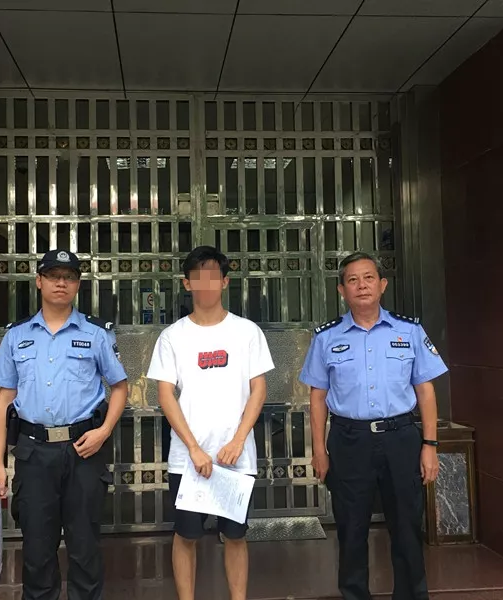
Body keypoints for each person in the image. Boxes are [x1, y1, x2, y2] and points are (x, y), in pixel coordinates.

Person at [299, 251, 447, 600]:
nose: (361, 285)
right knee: (351, 529)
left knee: (407, 527)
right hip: (349, 441)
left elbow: (425, 390)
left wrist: (430, 445)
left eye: (368, 278)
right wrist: (319, 450)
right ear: (342, 290)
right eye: (353, 280)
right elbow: (317, 397)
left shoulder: (409, 331)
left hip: (401, 439)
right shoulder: (327, 338)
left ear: (382, 285)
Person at [0, 249, 129, 600]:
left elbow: (120, 387)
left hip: (84, 451)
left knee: (84, 547)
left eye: (69, 277)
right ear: (39, 282)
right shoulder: (16, 336)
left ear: (78, 285)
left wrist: (104, 432)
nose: (61, 283)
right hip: (34, 453)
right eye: (53, 276)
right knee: (37, 549)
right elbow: (3, 401)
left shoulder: (96, 333)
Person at [146, 246, 275, 600]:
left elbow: (259, 390)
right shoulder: (173, 336)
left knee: (235, 536)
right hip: (189, 461)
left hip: (237, 458)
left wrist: (238, 440)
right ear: (186, 283)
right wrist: (193, 448)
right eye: (198, 278)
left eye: (213, 277)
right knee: (186, 535)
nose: (206, 285)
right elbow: (166, 395)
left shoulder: (247, 332)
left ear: (225, 282)